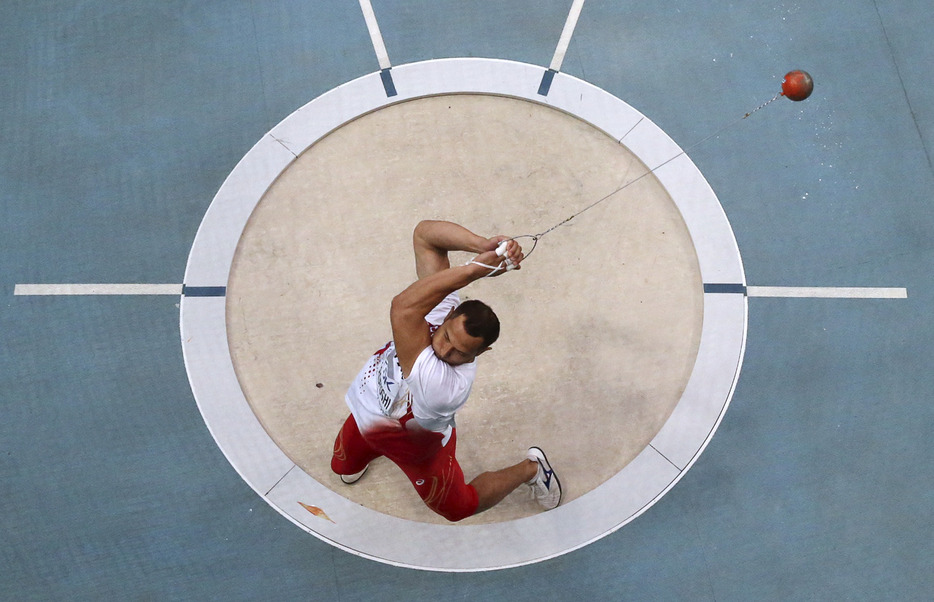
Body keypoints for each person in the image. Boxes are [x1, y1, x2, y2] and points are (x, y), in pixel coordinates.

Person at [330, 220, 561, 522]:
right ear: (450, 314)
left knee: (457, 508)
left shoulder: (443, 386)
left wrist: (475, 269)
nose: (444, 351)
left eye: (460, 352)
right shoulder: (440, 308)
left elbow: (401, 308)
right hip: (367, 413)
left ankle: (532, 469)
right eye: (447, 337)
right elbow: (425, 236)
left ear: (480, 353)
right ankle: (364, 449)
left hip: (415, 447)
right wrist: (483, 245)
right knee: (341, 468)